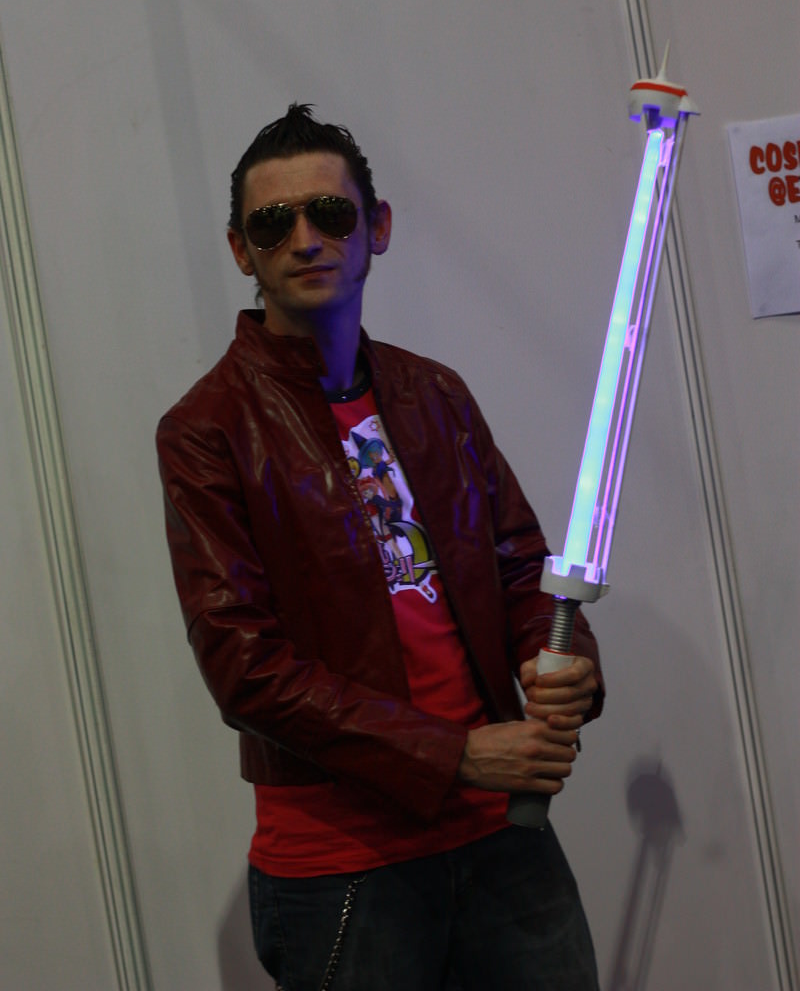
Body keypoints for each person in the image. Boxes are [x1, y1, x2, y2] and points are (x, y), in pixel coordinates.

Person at [156, 103, 604, 991]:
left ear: (378, 227)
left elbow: (522, 565)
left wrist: (559, 658)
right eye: (273, 223)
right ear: (242, 250)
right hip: (343, 869)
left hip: (503, 835)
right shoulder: (208, 429)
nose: (305, 239)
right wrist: (455, 755)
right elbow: (243, 666)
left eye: (331, 212)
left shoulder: (434, 393)